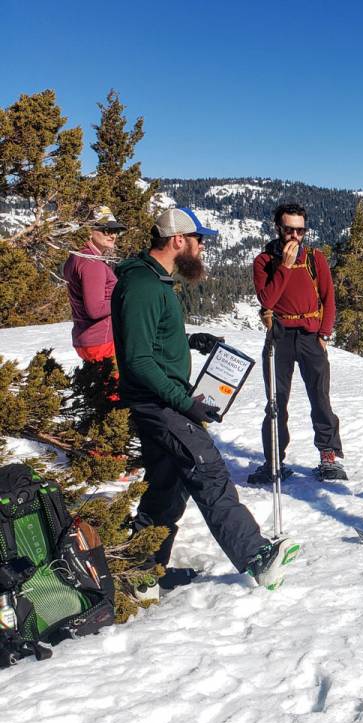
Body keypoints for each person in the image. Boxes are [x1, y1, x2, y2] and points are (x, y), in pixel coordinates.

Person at [111, 207, 299, 592]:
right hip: (159, 404)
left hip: (162, 401)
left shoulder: (153, 281)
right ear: (178, 240)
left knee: (166, 488)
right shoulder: (144, 287)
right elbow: (138, 360)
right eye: (198, 240)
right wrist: (184, 403)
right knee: (207, 468)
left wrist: (189, 341)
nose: (201, 248)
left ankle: (141, 571)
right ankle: (257, 556)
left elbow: (151, 341)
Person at [248, 202, 346, 483]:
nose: (295, 236)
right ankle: (274, 461)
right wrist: (285, 267)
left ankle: (328, 455)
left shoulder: (315, 259)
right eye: (289, 230)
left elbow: (328, 298)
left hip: (310, 336)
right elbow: (267, 300)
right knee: (276, 402)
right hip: (279, 336)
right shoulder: (264, 261)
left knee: (320, 398)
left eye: (300, 231)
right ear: (278, 228)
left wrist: (324, 334)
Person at [63, 206, 125, 363]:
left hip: (87, 339)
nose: (112, 235)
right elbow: (95, 310)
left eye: (115, 231)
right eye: (106, 230)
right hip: (102, 342)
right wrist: (125, 299)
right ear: (89, 230)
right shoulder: (92, 263)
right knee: (112, 380)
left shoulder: (77, 257)